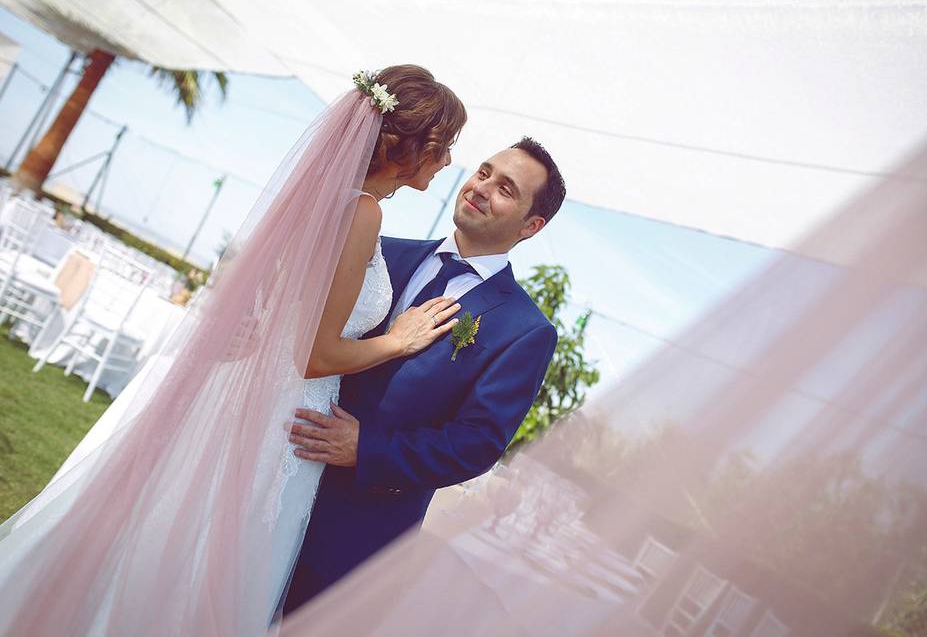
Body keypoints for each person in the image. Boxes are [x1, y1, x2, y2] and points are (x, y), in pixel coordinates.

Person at [0, 65, 467, 636]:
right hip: (282, 414)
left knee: (166, 537)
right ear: (414, 145)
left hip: (244, 390)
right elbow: (314, 357)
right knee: (206, 562)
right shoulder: (361, 212)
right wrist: (400, 340)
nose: (448, 164)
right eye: (446, 149)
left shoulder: (323, 199)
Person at [281, 135, 566, 613]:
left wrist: (364, 449)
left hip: (356, 533)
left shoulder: (526, 330)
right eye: (483, 172)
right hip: (278, 471)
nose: (481, 187)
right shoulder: (379, 249)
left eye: (506, 189)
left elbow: (475, 444)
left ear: (531, 225)